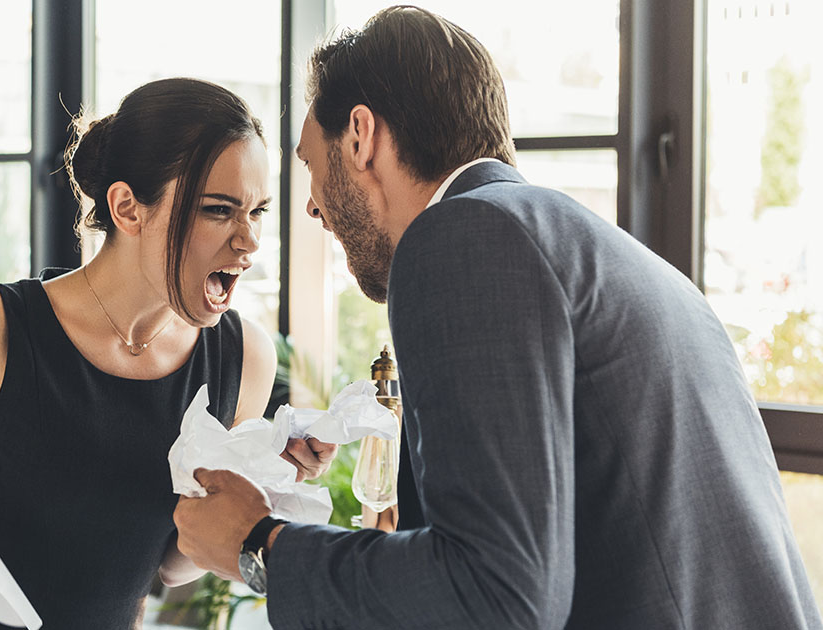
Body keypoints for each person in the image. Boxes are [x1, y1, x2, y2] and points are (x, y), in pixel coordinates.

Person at [173, 7, 823, 630]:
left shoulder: (462, 236)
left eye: (313, 166)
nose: (313, 206)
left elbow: (499, 595)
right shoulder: (589, 249)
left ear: (362, 137)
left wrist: (261, 545)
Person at [0, 78, 337, 629]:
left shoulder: (243, 359)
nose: (249, 241)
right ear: (127, 208)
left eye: (258, 212)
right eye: (218, 210)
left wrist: (267, 482)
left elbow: (173, 565)